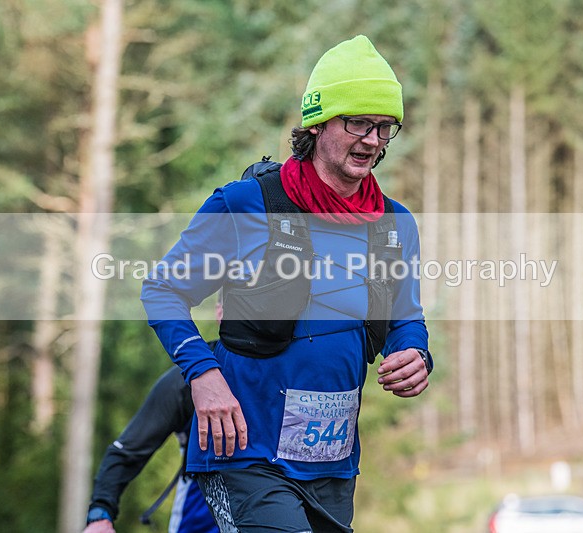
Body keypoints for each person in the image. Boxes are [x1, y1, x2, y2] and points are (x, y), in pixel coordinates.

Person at [141, 34, 432, 532]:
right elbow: (163, 290)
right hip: (245, 453)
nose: (372, 140)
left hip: (332, 463)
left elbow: (406, 316)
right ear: (317, 123)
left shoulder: (394, 224)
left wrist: (416, 354)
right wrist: (203, 376)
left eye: (385, 128)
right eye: (358, 122)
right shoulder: (246, 203)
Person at [83, 348, 220, 532]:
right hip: (200, 515)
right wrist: (100, 514)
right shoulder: (186, 379)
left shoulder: (271, 372)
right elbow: (127, 451)